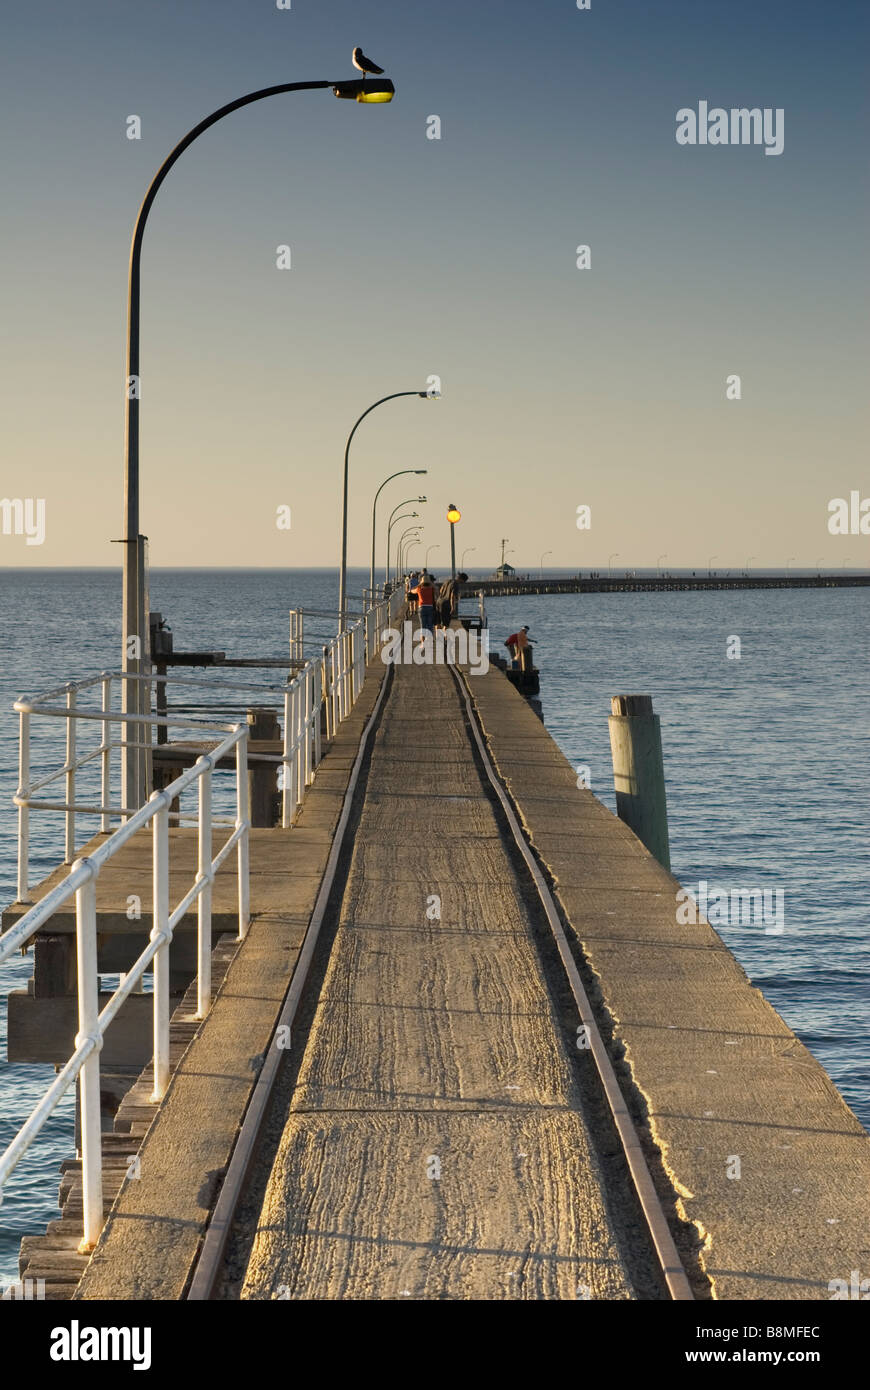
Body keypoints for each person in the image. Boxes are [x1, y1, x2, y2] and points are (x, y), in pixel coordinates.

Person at [413, 571, 437, 636]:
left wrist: (419, 584)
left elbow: (412, 590)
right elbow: (437, 589)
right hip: (430, 607)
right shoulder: (432, 589)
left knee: (422, 626)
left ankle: (423, 643)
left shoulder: (419, 589)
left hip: (422, 608)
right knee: (430, 626)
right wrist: (431, 583)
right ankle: (430, 640)